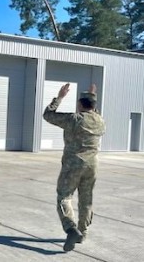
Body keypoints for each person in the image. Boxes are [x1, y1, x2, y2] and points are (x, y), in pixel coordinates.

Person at [43, 83, 106, 252]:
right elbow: (93, 112)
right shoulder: (100, 120)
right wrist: (92, 96)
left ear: (79, 104)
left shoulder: (74, 119)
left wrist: (60, 97)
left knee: (64, 196)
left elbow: (48, 115)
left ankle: (71, 229)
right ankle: (83, 232)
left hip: (73, 164)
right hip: (92, 165)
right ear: (94, 105)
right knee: (86, 200)